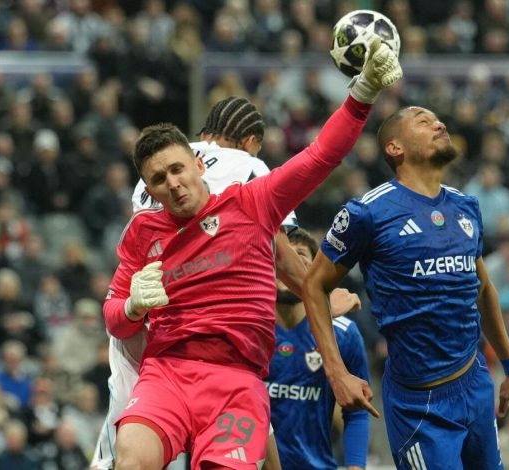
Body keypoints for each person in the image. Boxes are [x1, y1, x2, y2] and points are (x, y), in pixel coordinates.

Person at [104, 38, 401, 470]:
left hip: (236, 380)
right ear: (148, 188)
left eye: (177, 169)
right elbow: (114, 315)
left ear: (198, 164)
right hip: (166, 371)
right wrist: (131, 306)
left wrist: (362, 95)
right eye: (159, 179)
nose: (173, 183)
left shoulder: (252, 202)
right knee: (131, 461)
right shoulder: (143, 232)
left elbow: (321, 155)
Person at [303, 105, 509, 469]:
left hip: (475, 382)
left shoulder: (465, 206)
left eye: (438, 119)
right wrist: (337, 372)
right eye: (424, 121)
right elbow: (313, 286)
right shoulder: (367, 213)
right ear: (395, 148)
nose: (439, 123)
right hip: (420, 404)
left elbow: (484, 290)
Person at [91, 95, 302, 470]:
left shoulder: (156, 163)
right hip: (219, 340)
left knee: (122, 456)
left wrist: (131, 306)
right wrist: (322, 296)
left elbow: (142, 248)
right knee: (248, 415)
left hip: (150, 333)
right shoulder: (248, 167)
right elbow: (284, 257)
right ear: (251, 141)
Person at [266, 228, 368, 470]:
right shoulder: (249, 331)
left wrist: (355, 466)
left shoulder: (344, 333)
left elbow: (357, 410)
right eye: (282, 257)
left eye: (300, 256)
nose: (289, 264)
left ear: (310, 274)